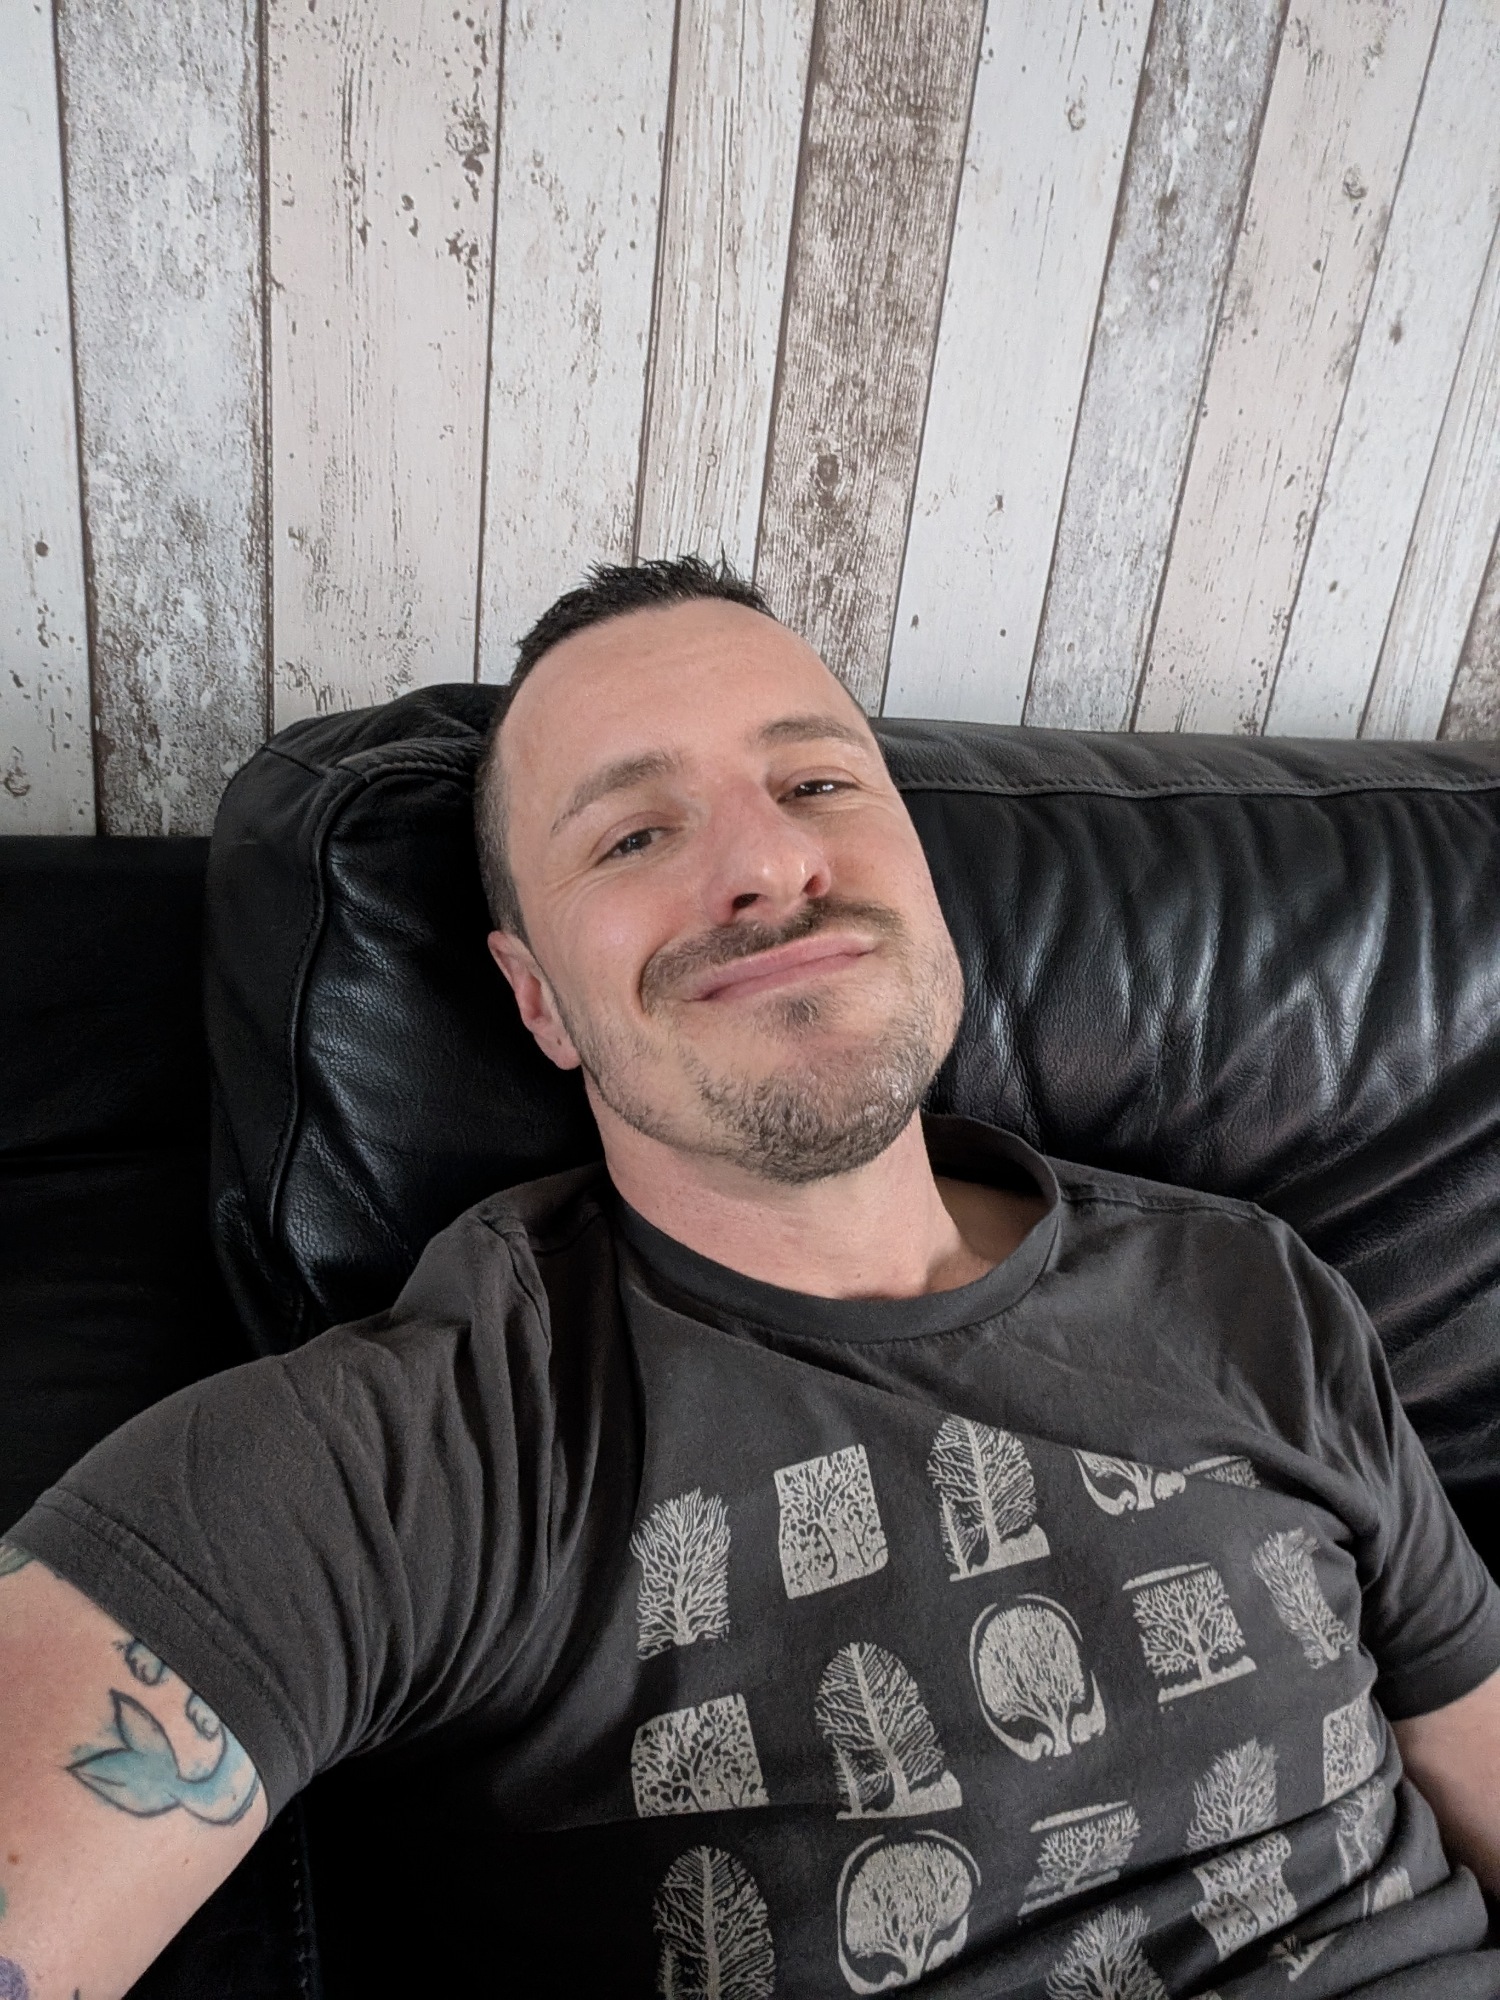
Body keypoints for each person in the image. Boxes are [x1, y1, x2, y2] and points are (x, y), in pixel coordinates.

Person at [2, 556, 1498, 2000]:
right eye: (632, 835)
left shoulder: (1251, 1287)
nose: (769, 865)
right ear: (539, 999)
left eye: (818, 784)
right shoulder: (434, 1451)